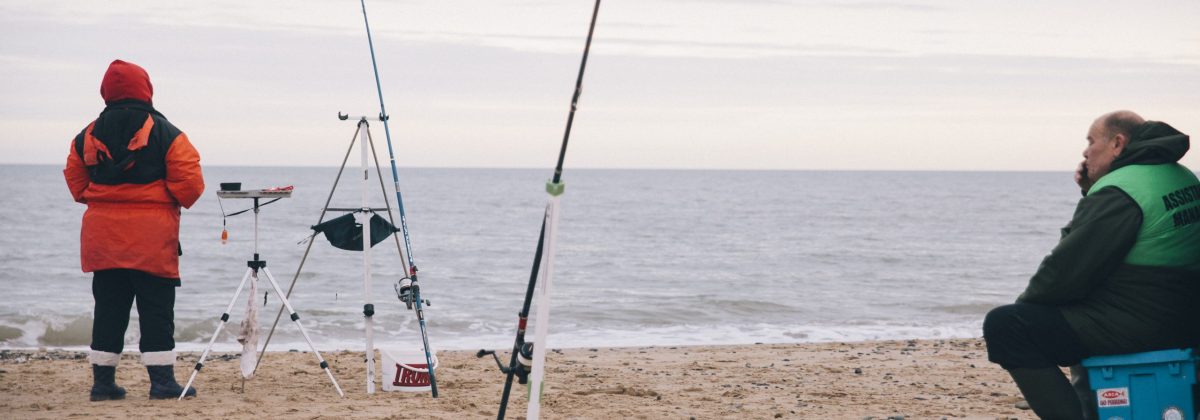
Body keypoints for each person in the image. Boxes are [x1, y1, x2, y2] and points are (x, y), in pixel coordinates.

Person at [982, 110, 1200, 419]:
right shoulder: (1178, 174)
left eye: (1091, 140)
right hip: (1184, 312)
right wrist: (1090, 192)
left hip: (1147, 322)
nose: (1085, 152)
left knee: (1007, 326)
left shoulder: (1120, 191)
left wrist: (1026, 310)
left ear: (1117, 144)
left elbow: (1065, 272)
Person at [64, 59, 205, 400]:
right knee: (156, 309)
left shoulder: (87, 134)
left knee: (108, 309)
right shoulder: (167, 132)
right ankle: (162, 383)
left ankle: (102, 384)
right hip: (152, 238)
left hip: (103, 237)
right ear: (147, 89)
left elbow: (75, 182)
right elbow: (190, 185)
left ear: (106, 92)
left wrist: (103, 201)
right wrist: (158, 199)